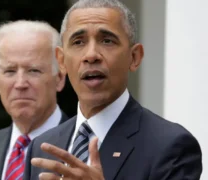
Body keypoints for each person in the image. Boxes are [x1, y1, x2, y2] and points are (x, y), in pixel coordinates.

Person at [23, 0, 203, 180]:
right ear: (61, 61)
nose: (91, 55)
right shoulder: (41, 148)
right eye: (78, 42)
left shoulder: (171, 146)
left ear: (134, 57)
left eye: (107, 41)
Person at [0, 20, 69, 180]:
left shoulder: (82, 146)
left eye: (33, 70)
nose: (20, 83)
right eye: (10, 71)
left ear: (60, 78)